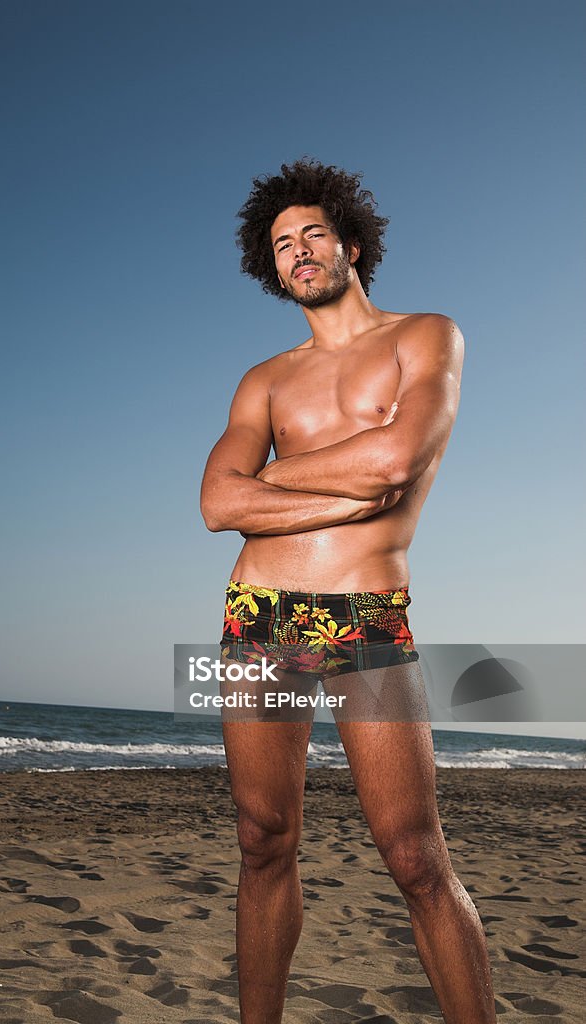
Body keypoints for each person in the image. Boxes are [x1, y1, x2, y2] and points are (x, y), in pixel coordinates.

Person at [200, 159, 496, 1024]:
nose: (297, 252)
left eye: (312, 234)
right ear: (272, 266)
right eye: (281, 244)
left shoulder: (425, 336)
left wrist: (277, 483)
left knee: (412, 855)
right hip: (258, 617)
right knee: (261, 842)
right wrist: (341, 491)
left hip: (362, 616)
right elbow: (218, 502)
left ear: (351, 243)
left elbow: (397, 460)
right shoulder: (263, 379)